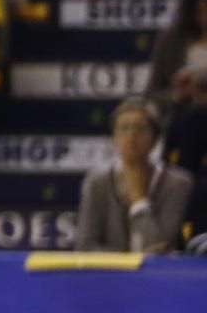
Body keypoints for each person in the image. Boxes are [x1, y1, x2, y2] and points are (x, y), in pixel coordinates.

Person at [77, 98, 193, 253]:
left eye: (140, 129)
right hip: (109, 269)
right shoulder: (97, 182)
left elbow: (160, 249)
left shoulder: (178, 183)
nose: (131, 136)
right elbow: (85, 247)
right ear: (114, 137)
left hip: (160, 269)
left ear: (155, 138)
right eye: (123, 128)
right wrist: (129, 261)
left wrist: (139, 200)